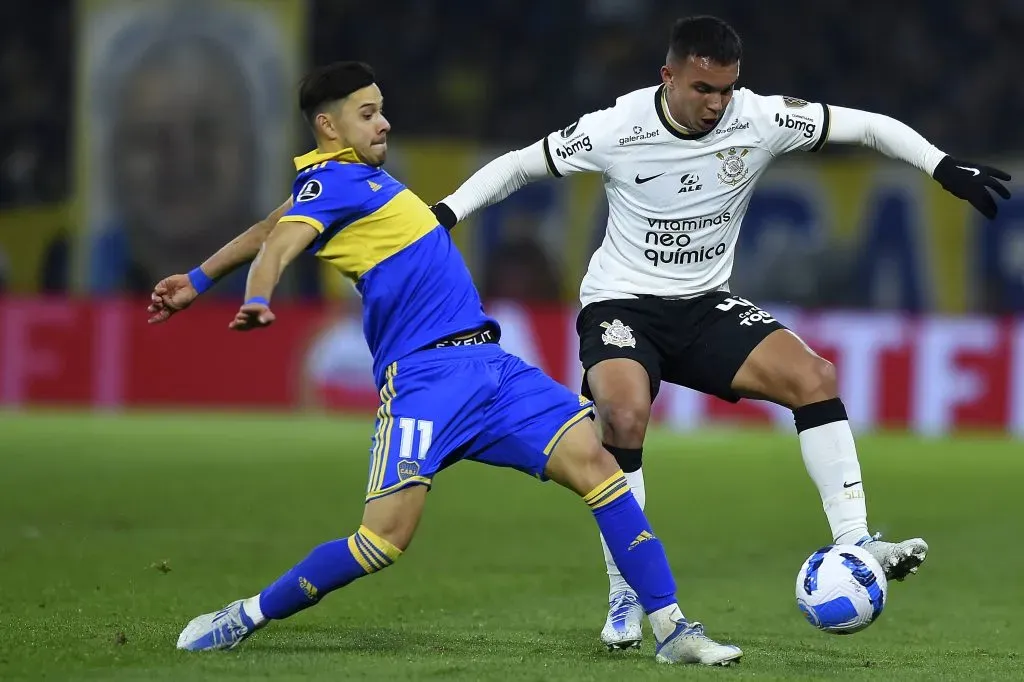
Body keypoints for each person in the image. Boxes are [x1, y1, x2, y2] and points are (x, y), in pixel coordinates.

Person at [430, 16, 1012, 650]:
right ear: (669, 76)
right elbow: (519, 166)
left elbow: (867, 124)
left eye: (727, 89)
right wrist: (445, 214)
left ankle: (856, 542)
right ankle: (625, 595)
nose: (716, 104)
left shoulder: (759, 118)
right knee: (623, 415)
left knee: (814, 378)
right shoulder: (615, 127)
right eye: (703, 88)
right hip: (622, 304)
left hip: (706, 305)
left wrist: (941, 165)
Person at [147, 61, 743, 666]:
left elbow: (269, 225)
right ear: (327, 126)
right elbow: (278, 242)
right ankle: (245, 615)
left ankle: (672, 629)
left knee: (602, 470)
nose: (384, 122)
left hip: (491, 368)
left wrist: (198, 278)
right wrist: (256, 295)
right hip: (425, 383)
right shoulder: (328, 186)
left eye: (381, 108)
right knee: (381, 541)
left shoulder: (352, 184)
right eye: (367, 113)